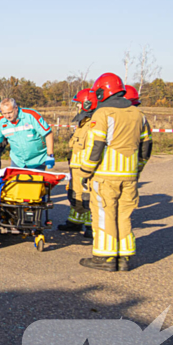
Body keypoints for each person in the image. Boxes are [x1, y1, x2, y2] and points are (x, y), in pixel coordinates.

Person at [77, 73, 152, 272]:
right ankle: (124, 257)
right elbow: (146, 147)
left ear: (102, 91)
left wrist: (86, 171)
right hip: (129, 176)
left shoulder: (103, 114)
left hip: (104, 175)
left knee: (104, 214)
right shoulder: (139, 115)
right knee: (124, 215)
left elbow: (96, 146)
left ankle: (105, 257)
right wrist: (137, 169)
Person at [58, 88, 98, 238]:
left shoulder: (93, 124)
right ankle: (74, 222)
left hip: (85, 168)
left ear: (87, 104)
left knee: (87, 198)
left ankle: (90, 226)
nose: (77, 107)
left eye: (79, 104)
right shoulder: (83, 122)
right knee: (74, 195)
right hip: (76, 167)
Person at [0, 98, 54, 170]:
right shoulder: (1, 123)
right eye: (4, 113)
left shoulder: (31, 116)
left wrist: (50, 154)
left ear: (16, 108)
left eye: (10, 112)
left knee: (35, 182)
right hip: (18, 162)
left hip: (38, 160)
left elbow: (48, 133)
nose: (7, 116)